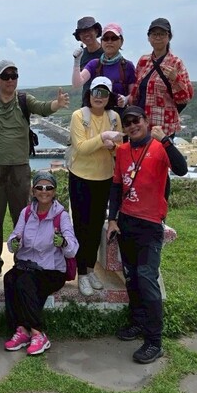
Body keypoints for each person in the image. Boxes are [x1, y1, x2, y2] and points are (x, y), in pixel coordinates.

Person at [0, 60, 70, 284]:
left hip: (19, 169)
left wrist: (57, 103)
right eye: (5, 76)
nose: (10, 80)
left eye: (14, 76)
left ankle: (22, 262)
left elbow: (44, 108)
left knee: (22, 219)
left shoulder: (25, 100)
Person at [105, 106, 187, 364]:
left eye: (136, 120)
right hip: (127, 222)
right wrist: (112, 219)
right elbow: (117, 186)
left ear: (145, 121)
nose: (132, 125)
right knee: (131, 277)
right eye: (127, 122)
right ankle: (137, 322)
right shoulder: (122, 151)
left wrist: (165, 139)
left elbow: (182, 169)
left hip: (151, 223)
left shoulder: (160, 147)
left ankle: (155, 341)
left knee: (146, 277)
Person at [3, 171, 78, 356]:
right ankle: (21, 330)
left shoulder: (61, 216)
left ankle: (38, 332)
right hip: (28, 265)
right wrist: (14, 242)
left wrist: (63, 242)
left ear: (54, 191)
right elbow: (15, 236)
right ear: (33, 191)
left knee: (24, 282)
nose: (44, 191)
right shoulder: (27, 213)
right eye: (39, 187)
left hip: (52, 270)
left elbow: (73, 249)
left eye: (48, 188)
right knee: (10, 278)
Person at [67, 76, 122, 296]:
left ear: (109, 97)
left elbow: (119, 148)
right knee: (81, 226)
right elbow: (81, 147)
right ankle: (81, 273)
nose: (99, 97)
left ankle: (90, 269)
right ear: (89, 94)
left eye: (104, 93)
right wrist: (104, 138)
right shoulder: (79, 116)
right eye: (95, 93)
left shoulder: (114, 117)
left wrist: (109, 146)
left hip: (104, 177)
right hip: (80, 176)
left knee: (96, 225)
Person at [130, 18, 194, 137]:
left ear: (169, 37)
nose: (158, 38)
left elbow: (185, 98)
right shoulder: (143, 61)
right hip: (140, 124)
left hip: (163, 126)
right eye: (154, 34)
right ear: (149, 38)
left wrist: (176, 80)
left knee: (160, 155)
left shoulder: (176, 63)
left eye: (162, 34)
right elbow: (136, 91)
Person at [72, 22, 136, 116]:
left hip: (119, 117)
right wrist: (76, 62)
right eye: (106, 39)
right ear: (101, 42)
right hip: (97, 117)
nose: (109, 42)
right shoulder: (94, 64)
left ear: (121, 41)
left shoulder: (127, 66)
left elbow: (134, 94)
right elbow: (77, 83)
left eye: (114, 38)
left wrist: (125, 99)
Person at [71, 16, 104, 95]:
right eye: (82, 32)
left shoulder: (106, 52)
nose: (86, 34)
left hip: (104, 99)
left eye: (89, 30)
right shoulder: (80, 55)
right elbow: (77, 82)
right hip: (87, 101)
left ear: (96, 31)